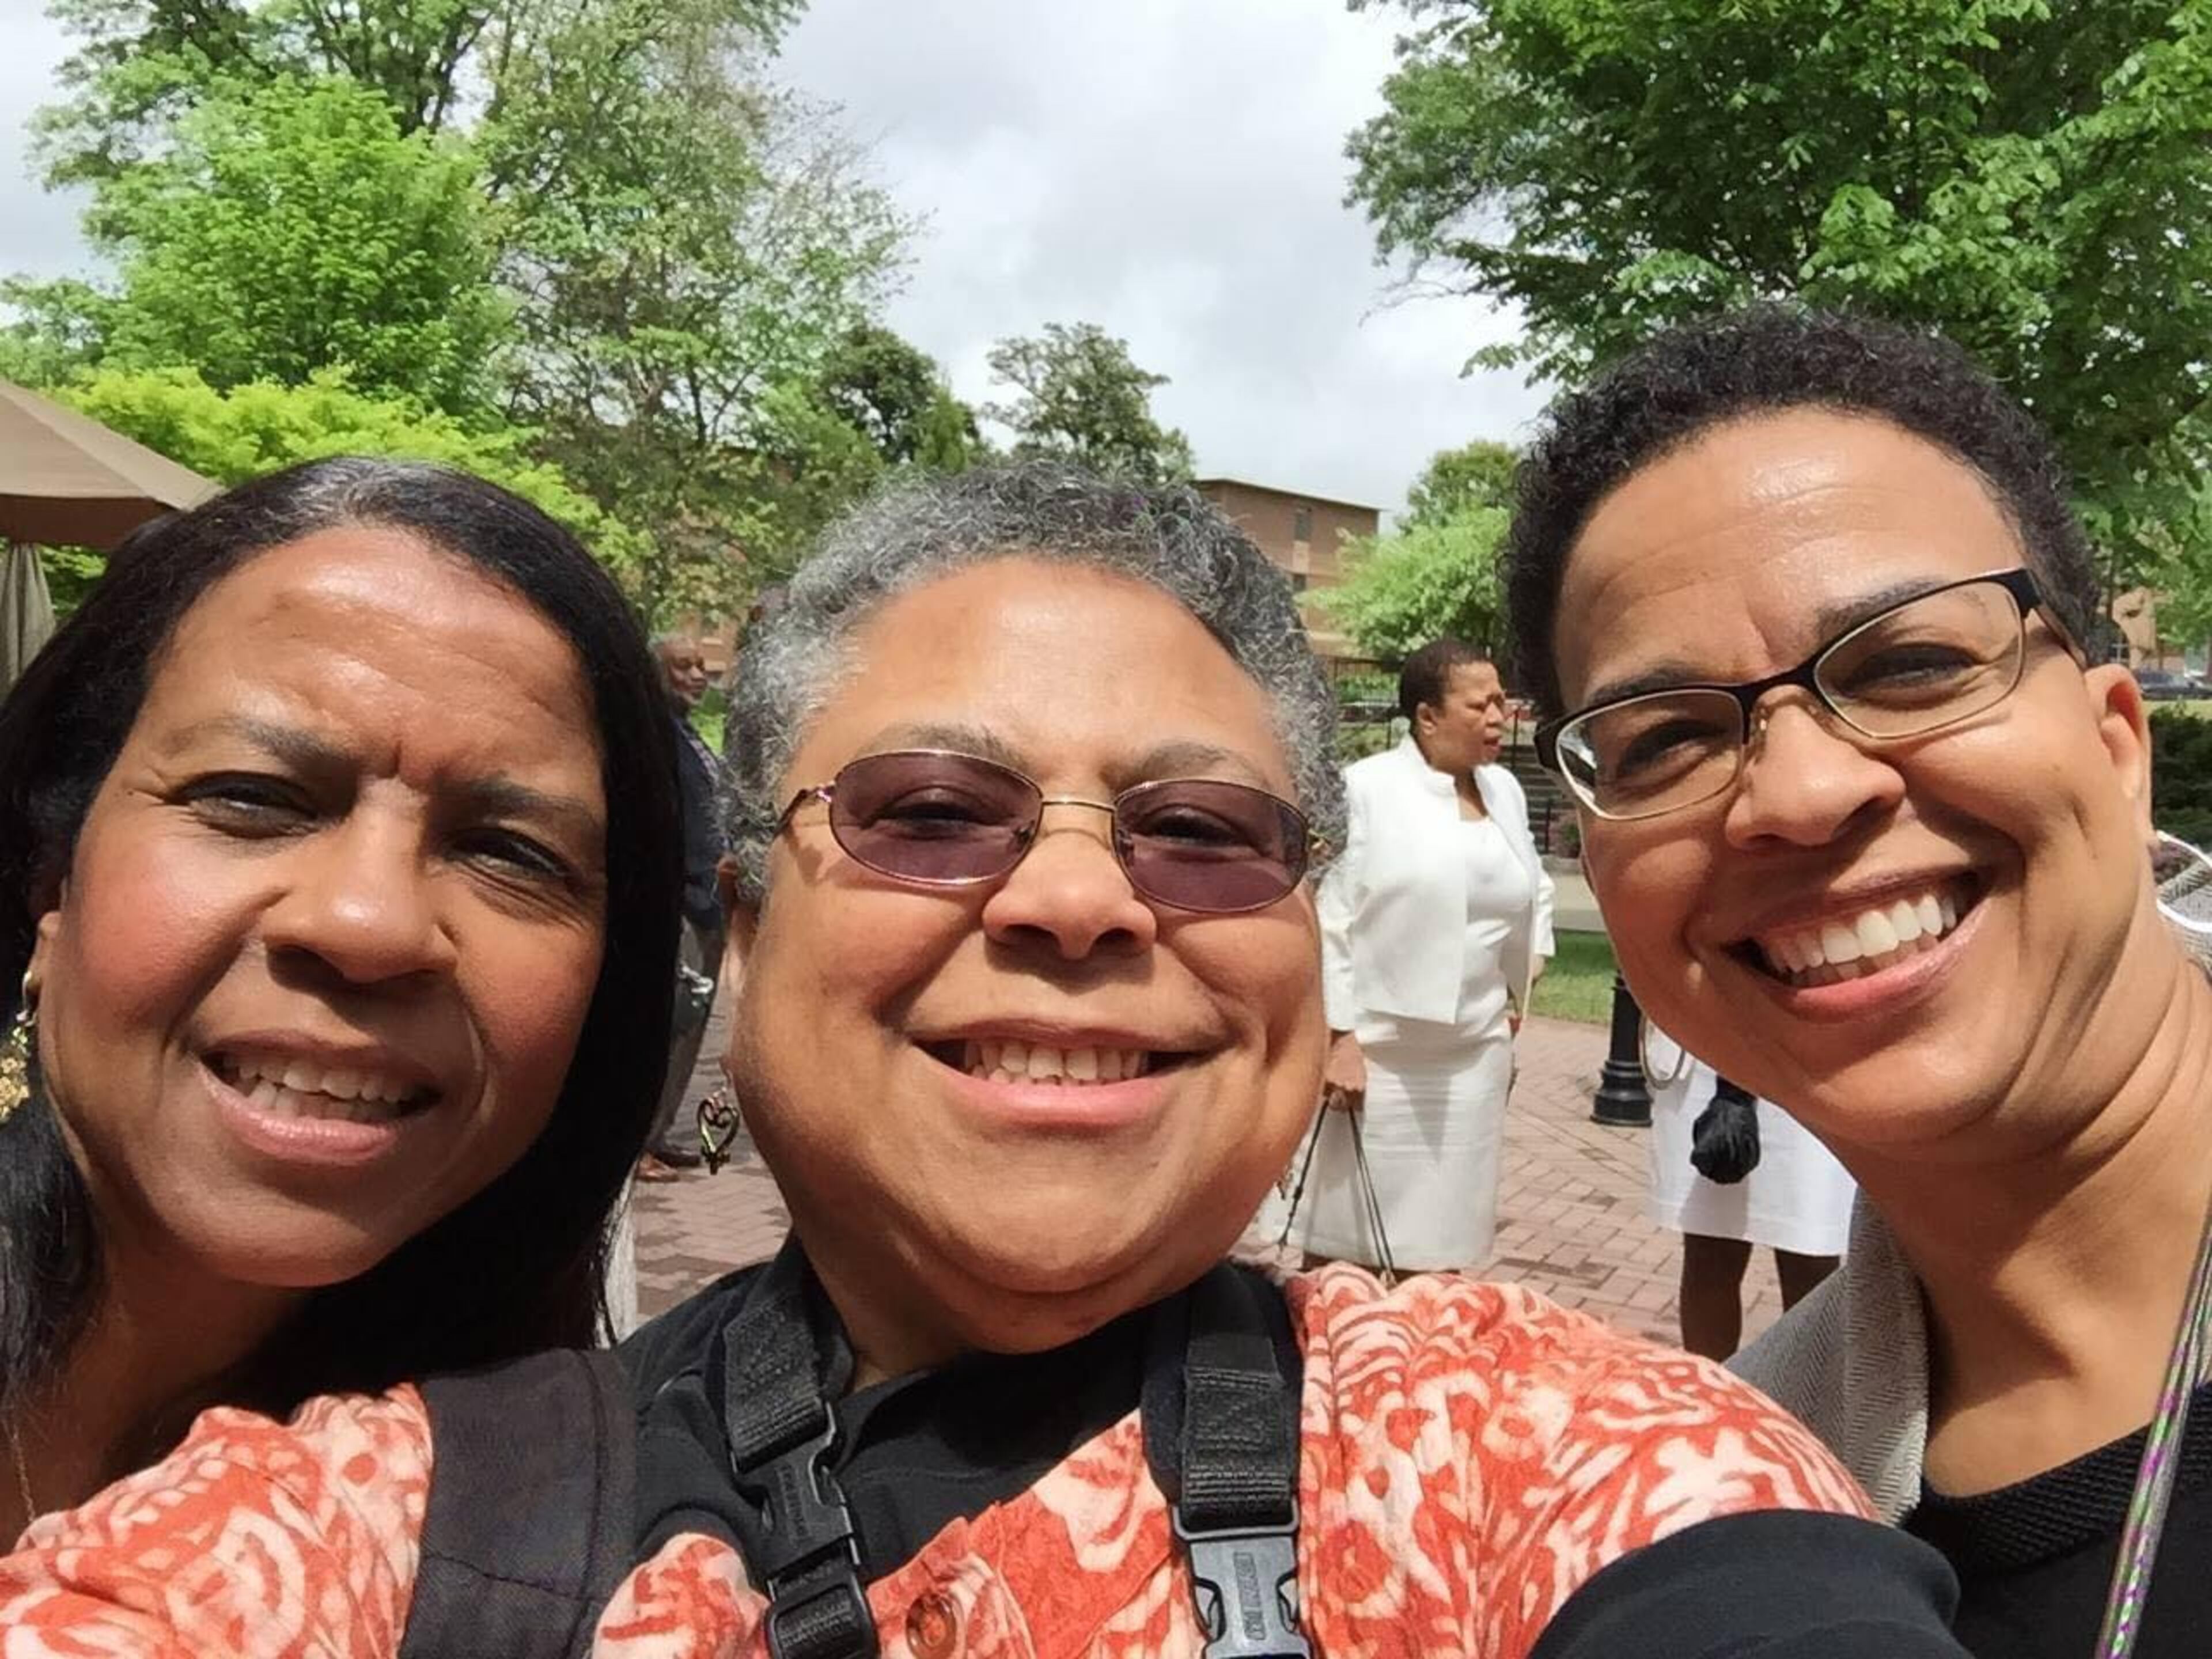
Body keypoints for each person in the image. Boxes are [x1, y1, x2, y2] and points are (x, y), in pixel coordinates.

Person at [0, 464, 1974, 1658]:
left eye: (1201, 833)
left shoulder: (1510, 1441)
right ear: (741, 928)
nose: (1079, 900)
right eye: (932, 810)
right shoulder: (391, 1522)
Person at [1510, 305, 2212, 1654]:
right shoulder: (1749, 1507)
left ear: (2117, 752)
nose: (1799, 791)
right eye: (1660, 740)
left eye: (1906, 664)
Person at [0, 456, 681, 1540]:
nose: (369, 926)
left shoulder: (559, 1536)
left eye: (508, 852)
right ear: (52, 882)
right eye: (251, 797)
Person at [1287, 639, 1553, 1270]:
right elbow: (1332, 919)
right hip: (1380, 1052)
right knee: (1342, 1248)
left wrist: (1524, 975)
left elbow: (1534, 887)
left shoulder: (1506, 791)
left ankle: (1412, 1364)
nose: (1498, 716)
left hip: (1471, 1056)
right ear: (1428, 716)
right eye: (1479, 704)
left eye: (1501, 701)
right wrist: (1340, 1038)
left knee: (1440, 1247)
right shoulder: (1368, 790)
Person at [1642, 1031, 1854, 1359]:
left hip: (1803, 1055)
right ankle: (1712, 1394)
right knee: (1709, 1247)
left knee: (1809, 1248)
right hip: (1707, 1050)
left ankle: (1806, 1403)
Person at [636, 631, 726, 1180]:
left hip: (709, 901)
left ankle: (660, 1131)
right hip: (679, 902)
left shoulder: (689, 734)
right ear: (658, 671)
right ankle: (632, 1145)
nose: (697, 677)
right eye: (684, 667)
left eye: (702, 669)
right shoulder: (654, 738)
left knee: (690, 1025)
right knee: (662, 1024)